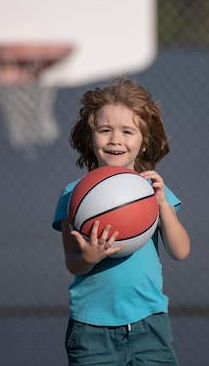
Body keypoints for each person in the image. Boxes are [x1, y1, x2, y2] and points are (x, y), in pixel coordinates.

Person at [52, 77, 190, 365]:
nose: (115, 139)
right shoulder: (74, 195)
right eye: (105, 130)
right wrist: (88, 257)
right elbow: (72, 261)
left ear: (143, 142)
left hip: (150, 323)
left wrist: (162, 203)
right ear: (90, 138)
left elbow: (180, 251)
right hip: (92, 329)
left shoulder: (153, 191)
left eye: (127, 131)